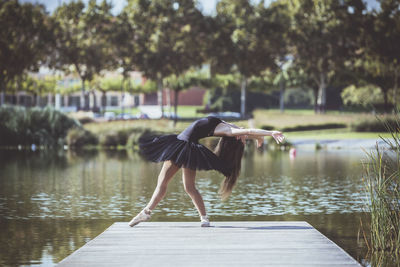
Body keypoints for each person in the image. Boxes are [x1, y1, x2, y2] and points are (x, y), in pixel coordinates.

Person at [128, 116, 285, 227]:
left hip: (182, 145)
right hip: (186, 146)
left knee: (163, 183)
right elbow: (247, 131)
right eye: (245, 139)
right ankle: (204, 219)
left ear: (236, 138)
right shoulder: (230, 127)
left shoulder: (229, 131)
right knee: (189, 187)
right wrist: (259, 137)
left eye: (243, 139)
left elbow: (248, 131)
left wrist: (270, 133)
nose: (244, 138)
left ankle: (146, 212)